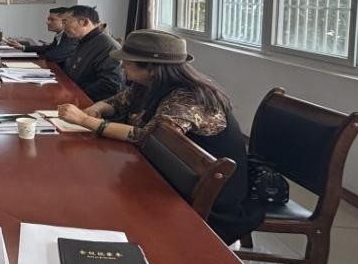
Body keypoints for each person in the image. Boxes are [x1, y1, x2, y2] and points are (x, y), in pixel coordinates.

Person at [56, 30, 265, 245]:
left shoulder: (189, 98)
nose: (122, 66)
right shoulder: (150, 84)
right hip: (170, 174)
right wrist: (98, 108)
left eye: (127, 62)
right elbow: (119, 101)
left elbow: (147, 137)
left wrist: (86, 121)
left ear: (152, 68)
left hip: (211, 198)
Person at [60, 4, 125, 101]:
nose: (63, 27)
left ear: (84, 22)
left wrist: (76, 94)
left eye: (65, 22)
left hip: (91, 102)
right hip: (73, 94)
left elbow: (110, 85)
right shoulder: (83, 41)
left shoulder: (107, 45)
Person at [7, 6, 76, 64]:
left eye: (52, 20)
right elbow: (48, 49)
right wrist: (22, 47)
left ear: (64, 22)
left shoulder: (70, 37)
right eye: (48, 19)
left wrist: (49, 49)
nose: (47, 22)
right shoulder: (60, 35)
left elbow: (52, 56)